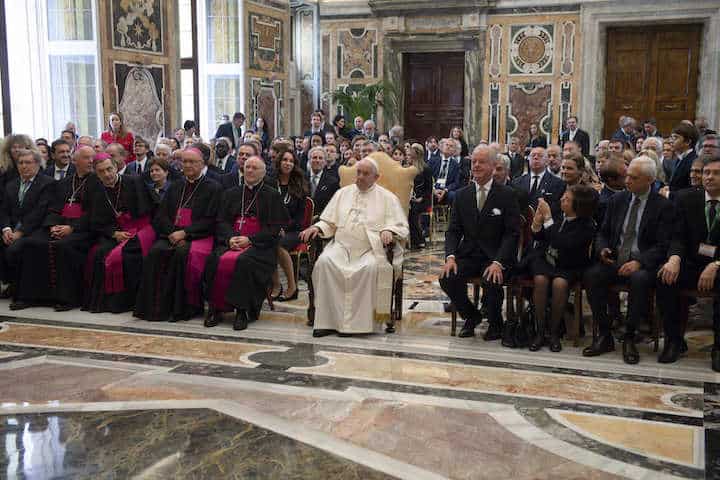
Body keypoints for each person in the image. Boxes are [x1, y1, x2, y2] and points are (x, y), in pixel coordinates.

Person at [300, 155, 409, 337]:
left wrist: (389, 230)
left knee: (370, 269)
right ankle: (327, 322)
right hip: (341, 247)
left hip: (371, 249)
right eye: (358, 172)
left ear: (376, 177)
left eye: (365, 174)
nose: (359, 177)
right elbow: (329, 222)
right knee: (324, 263)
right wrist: (317, 227)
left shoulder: (387, 198)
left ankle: (357, 325)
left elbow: (400, 226)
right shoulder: (342, 193)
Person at [583, 156, 674, 364]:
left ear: (649, 180)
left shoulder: (662, 206)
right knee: (591, 275)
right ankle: (605, 334)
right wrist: (603, 248)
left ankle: (630, 336)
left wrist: (640, 261)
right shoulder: (618, 200)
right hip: (616, 259)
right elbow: (602, 232)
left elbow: (663, 244)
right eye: (627, 176)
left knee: (639, 280)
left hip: (643, 263)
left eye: (634, 177)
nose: (627, 181)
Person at [440, 145, 521, 339]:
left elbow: (512, 234)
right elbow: (453, 231)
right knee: (447, 278)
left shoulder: (507, 195)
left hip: (495, 255)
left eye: (481, 162)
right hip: (468, 254)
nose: (475, 165)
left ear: (493, 166)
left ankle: (496, 323)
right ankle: (471, 316)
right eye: (474, 161)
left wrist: (498, 262)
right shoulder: (461, 195)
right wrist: (450, 257)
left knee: (491, 278)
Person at [133, 147, 222, 322]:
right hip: (172, 234)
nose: (187, 165)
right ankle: (155, 309)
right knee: (155, 252)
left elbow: (211, 220)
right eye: (184, 162)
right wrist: (173, 233)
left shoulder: (213, 188)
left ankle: (182, 309)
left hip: (199, 236)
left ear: (202, 164)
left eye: (192, 162)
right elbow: (162, 216)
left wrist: (185, 233)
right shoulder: (176, 186)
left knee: (182, 255)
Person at [204, 156, 289, 329]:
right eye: (247, 167)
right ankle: (216, 308)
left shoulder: (272, 195)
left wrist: (250, 239)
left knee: (244, 262)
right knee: (214, 259)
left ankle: (243, 311)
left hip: (261, 246)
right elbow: (222, 221)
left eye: (254, 168)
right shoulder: (231, 193)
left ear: (263, 173)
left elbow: (274, 228)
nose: (249, 170)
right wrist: (230, 239)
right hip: (233, 241)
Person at [11, 146, 97, 310]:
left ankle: (67, 299)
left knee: (63, 247)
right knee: (31, 243)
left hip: (83, 230)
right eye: (86, 158)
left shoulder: (97, 182)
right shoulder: (65, 182)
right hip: (58, 225)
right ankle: (28, 296)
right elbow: (53, 208)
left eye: (92, 158)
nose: (91, 161)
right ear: (75, 160)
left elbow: (94, 212)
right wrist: (52, 226)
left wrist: (71, 228)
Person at [656, 152, 720, 370]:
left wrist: (716, 264)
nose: (709, 177)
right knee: (665, 277)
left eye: (716, 173)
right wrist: (674, 258)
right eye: (706, 173)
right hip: (690, 262)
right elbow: (677, 235)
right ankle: (674, 340)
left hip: (718, 265)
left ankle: (718, 347)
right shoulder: (686, 198)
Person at [528, 186, 597, 352]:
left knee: (559, 284)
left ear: (578, 206)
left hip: (569, 264)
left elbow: (562, 243)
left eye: (566, 199)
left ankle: (554, 332)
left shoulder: (586, 225)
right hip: (547, 260)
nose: (561, 200)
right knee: (540, 279)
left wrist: (548, 218)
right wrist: (537, 222)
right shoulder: (559, 215)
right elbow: (540, 237)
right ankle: (540, 330)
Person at [83, 154, 154, 313]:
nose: (107, 174)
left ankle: (128, 302)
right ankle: (106, 303)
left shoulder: (134, 182)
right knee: (99, 253)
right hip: (115, 232)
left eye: (109, 169)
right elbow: (96, 222)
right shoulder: (97, 190)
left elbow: (149, 210)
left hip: (141, 229)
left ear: (116, 167)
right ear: (97, 173)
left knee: (128, 254)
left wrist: (132, 231)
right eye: (102, 171)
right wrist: (114, 234)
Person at [0, 149, 54, 299]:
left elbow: (39, 212)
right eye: (20, 162)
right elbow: (3, 210)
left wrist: (20, 232)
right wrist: (6, 229)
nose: (24, 166)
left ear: (37, 164)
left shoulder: (47, 184)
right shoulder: (11, 185)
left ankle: (20, 290)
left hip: (35, 229)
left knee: (15, 249)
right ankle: (11, 283)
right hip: (12, 229)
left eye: (28, 162)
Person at [268, 149, 308, 302]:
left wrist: (284, 228)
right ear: (279, 162)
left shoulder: (299, 185)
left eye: (291, 161)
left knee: (278, 244)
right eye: (285, 160)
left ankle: (292, 287)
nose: (288, 163)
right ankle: (276, 285)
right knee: (268, 241)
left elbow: (299, 218)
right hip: (273, 227)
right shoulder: (270, 182)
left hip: (293, 230)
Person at [512, 147, 565, 215]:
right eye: (533, 155)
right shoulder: (517, 182)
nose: (536, 158)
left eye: (540, 156)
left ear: (547, 161)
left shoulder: (558, 183)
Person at [407, 143, 433, 249]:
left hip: (423, 200)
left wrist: (421, 198)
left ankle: (419, 239)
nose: (408, 153)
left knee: (412, 211)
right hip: (410, 198)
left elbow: (429, 188)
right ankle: (411, 238)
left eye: (411, 151)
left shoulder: (426, 169)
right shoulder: (408, 167)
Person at [306, 147, 340, 217]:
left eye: (320, 158)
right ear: (309, 160)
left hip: (322, 220)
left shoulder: (333, 182)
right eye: (314, 158)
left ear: (325, 162)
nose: (317, 160)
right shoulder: (301, 179)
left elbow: (333, 206)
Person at [667, 122, 699, 192]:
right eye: (671, 137)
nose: (670, 141)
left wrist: (668, 194)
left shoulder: (693, 162)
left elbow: (690, 190)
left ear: (687, 142)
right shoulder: (680, 158)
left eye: (675, 137)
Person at [431, 139, 460, 205]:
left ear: (454, 151)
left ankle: (450, 215)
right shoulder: (433, 161)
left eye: (451, 146)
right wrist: (433, 190)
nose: (448, 147)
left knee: (453, 195)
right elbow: (427, 177)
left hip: (447, 189)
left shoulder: (455, 165)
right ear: (442, 147)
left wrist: (446, 190)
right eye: (446, 145)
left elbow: (456, 182)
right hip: (434, 188)